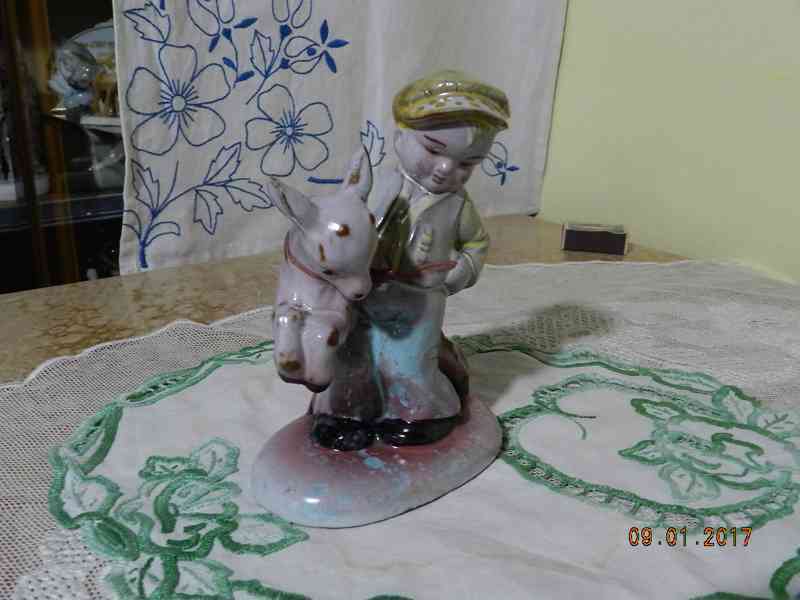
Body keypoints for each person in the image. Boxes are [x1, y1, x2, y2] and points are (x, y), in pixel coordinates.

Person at [311, 70, 510, 451]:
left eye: (467, 163)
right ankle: (343, 414)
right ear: (400, 136)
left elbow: (476, 243)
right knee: (352, 357)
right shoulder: (374, 188)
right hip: (365, 296)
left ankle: (419, 415)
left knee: (409, 364)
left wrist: (457, 273)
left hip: (418, 304)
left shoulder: (458, 206)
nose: (446, 169)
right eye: (433, 150)